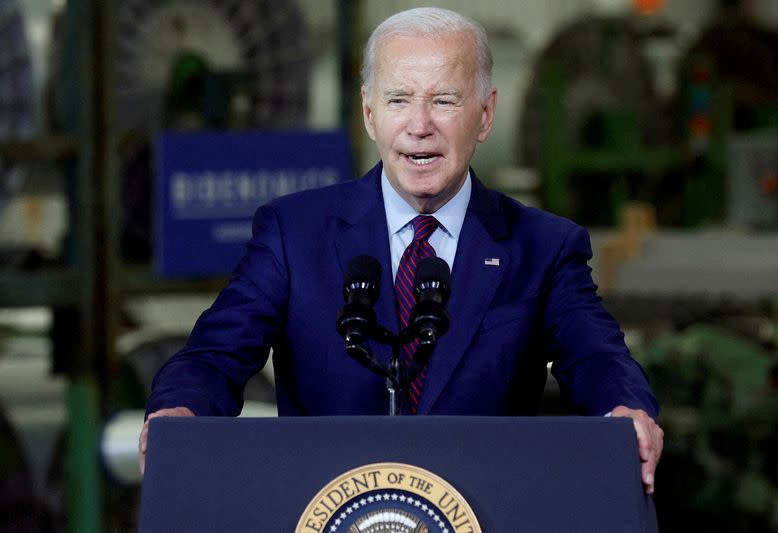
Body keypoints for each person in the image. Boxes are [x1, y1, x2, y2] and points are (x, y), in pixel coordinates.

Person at [139, 7, 663, 493]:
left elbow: (598, 356)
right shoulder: (293, 233)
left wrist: (626, 410)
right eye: (398, 100)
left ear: (485, 115)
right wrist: (179, 411)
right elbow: (214, 356)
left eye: (444, 100)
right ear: (369, 114)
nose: (419, 125)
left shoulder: (542, 246)